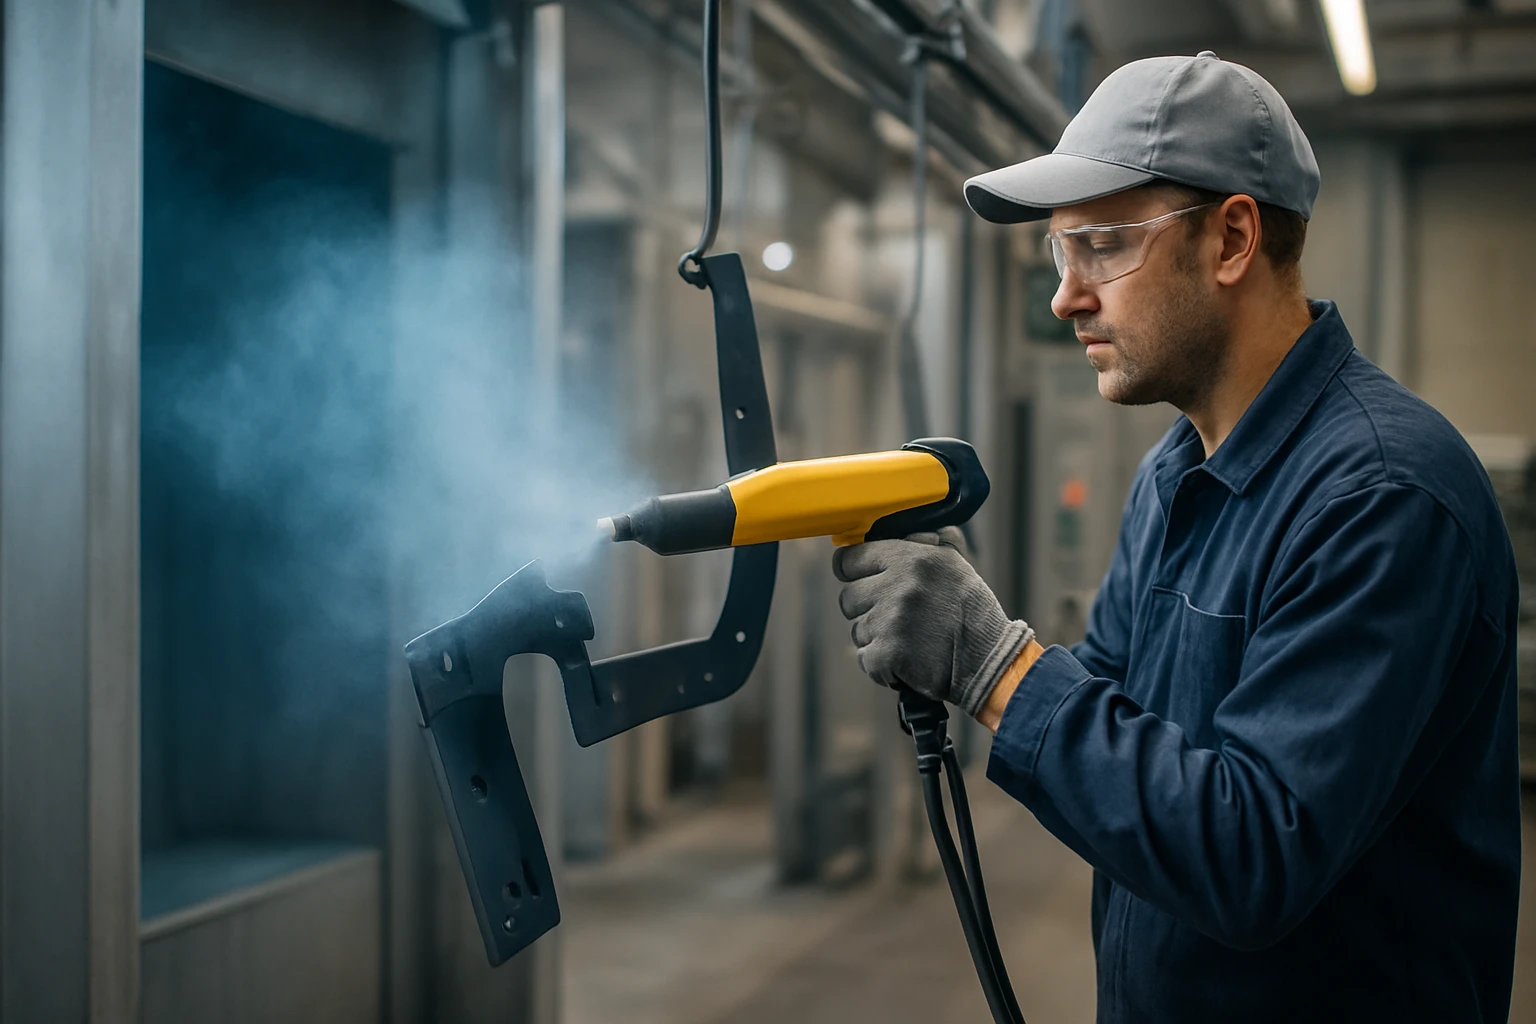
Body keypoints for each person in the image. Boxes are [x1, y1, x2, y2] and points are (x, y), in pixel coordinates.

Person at [834, 51, 1520, 1023]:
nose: (1069, 294)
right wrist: (977, 644)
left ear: (1232, 238)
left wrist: (994, 666)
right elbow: (1116, 722)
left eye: (1103, 245)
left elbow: (1255, 852)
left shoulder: (1382, 493)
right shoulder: (1175, 472)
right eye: (1058, 254)